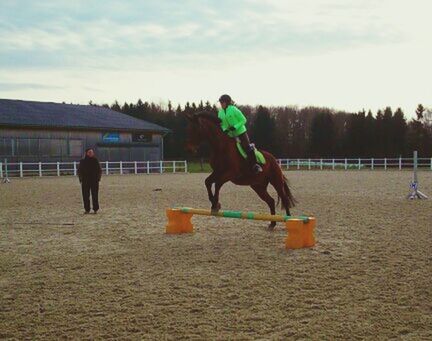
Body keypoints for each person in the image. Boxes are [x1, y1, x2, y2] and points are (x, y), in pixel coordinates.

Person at [218, 94, 263, 174]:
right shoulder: (220, 113)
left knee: (246, 147)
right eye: (220, 102)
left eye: (222, 102)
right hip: (230, 134)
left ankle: (255, 165)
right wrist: (225, 129)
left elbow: (243, 120)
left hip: (240, 132)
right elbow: (222, 124)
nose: (221, 104)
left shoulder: (234, 109)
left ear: (227, 102)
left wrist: (235, 127)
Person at [78, 148, 102, 214]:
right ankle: (87, 209)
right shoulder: (82, 161)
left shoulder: (95, 160)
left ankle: (95, 209)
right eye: (90, 152)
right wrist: (81, 179)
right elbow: (79, 170)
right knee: (85, 195)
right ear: (86, 153)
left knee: (95, 195)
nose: (91, 153)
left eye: (92, 152)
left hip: (94, 181)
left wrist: (98, 178)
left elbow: (99, 170)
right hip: (85, 181)